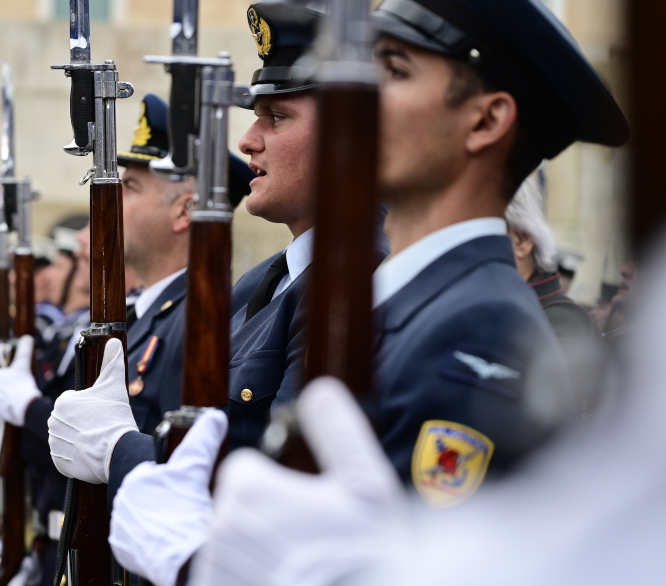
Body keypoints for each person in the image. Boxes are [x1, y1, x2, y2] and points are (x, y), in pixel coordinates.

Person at [183, 0, 630, 584]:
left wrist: (184, 554)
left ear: (485, 121)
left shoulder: (480, 326)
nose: (354, 96)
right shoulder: (388, 299)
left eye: (392, 72)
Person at [47, 2, 330, 519]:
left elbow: (280, 491)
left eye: (278, 117)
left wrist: (120, 452)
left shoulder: (349, 286)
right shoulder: (258, 287)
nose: (248, 139)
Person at [117, 93, 255, 435]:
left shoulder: (198, 319)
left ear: (185, 212)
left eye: (130, 187)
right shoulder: (143, 311)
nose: (109, 200)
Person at [506, 172, 605, 417]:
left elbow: (570, 424)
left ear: (521, 240)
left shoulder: (561, 320)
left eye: (483, 237)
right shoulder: (520, 309)